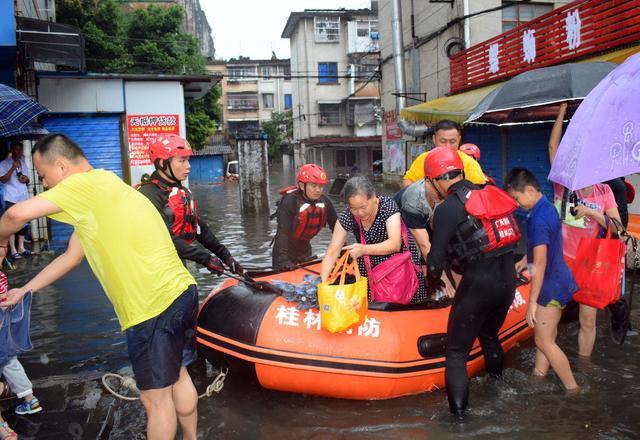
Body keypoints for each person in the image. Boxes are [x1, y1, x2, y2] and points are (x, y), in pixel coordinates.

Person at [0, 133, 199, 440]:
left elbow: (14, 214)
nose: (45, 185)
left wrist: (2, 243)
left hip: (151, 308)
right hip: (181, 293)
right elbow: (71, 258)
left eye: (44, 176)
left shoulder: (83, 187)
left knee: (155, 401)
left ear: (62, 167)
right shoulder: (106, 188)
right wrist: (24, 289)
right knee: (179, 374)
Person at [424, 147, 519, 417]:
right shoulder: (490, 192)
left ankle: (460, 421)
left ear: (434, 180)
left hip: (479, 284)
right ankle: (499, 388)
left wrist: (432, 287)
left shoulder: (447, 208)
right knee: (490, 336)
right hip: (508, 282)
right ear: (462, 172)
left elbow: (435, 262)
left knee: (455, 354)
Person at [549, 103, 622, 357]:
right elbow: (552, 149)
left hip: (590, 263)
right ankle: (548, 361)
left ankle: (584, 364)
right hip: (562, 260)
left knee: (588, 321)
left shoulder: (605, 192)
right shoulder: (564, 185)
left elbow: (618, 229)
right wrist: (562, 110)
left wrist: (592, 213)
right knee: (551, 319)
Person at [505, 168, 579, 391]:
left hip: (551, 287)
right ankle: (539, 376)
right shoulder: (547, 206)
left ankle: (573, 389)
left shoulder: (537, 219)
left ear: (529, 190)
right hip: (561, 279)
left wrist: (532, 303)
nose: (517, 204)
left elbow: (539, 265)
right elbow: (543, 247)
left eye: (517, 199)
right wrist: (526, 259)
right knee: (545, 338)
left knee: (543, 341)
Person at [138, 134, 244, 277]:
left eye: (188, 160)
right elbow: (166, 239)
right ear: (163, 163)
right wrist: (206, 259)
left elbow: (199, 228)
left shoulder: (181, 192)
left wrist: (226, 257)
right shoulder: (148, 195)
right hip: (153, 271)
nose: (188, 166)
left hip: (177, 265)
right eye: (182, 161)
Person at [321, 176, 428, 303]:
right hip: (370, 270)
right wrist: (322, 287)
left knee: (406, 306)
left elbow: (395, 244)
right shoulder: (347, 216)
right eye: (354, 209)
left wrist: (363, 249)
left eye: (363, 207)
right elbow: (332, 253)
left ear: (374, 198)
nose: (359, 213)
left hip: (399, 267)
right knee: (373, 308)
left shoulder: (388, 206)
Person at [392, 178, 455, 298]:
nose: (442, 193)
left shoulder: (440, 192)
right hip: (397, 227)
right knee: (418, 254)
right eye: (439, 192)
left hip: (422, 219)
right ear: (428, 181)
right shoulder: (413, 201)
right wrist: (444, 280)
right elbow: (424, 244)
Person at [272, 164, 337, 271]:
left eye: (321, 186)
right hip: (284, 252)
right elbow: (282, 234)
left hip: (305, 251)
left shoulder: (325, 202)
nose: (318, 190)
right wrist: (283, 261)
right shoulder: (289, 202)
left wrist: (342, 249)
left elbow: (337, 228)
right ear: (302, 186)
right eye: (314, 185)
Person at [402, 120, 487, 187]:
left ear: (459, 139)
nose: (448, 146)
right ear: (434, 139)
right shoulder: (424, 158)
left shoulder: (468, 162)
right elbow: (408, 180)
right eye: (443, 141)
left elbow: (479, 189)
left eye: (452, 141)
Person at [0, 142, 32, 260]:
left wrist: (25, 179)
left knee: (23, 223)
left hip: (22, 196)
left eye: (20, 150)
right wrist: (12, 168)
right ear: (12, 150)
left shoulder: (23, 162)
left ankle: (21, 248)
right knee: (11, 224)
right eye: (17, 150)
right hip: (11, 197)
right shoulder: (3, 164)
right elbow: (3, 180)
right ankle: (13, 250)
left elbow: (27, 179)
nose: (19, 152)